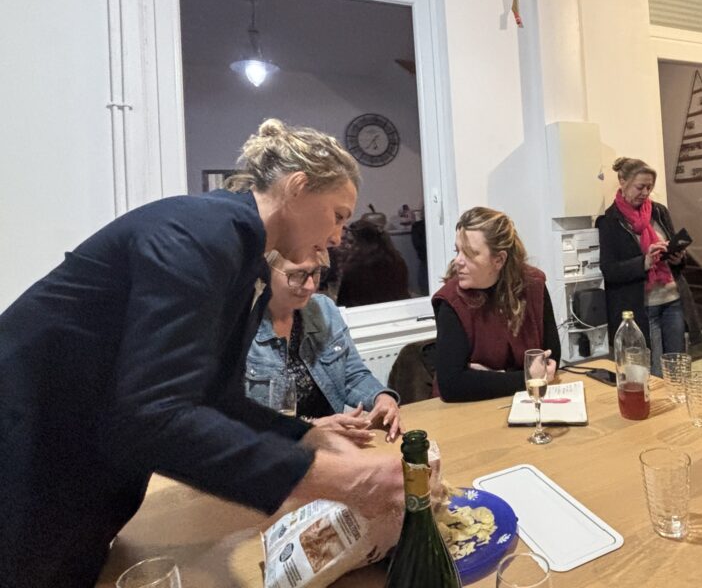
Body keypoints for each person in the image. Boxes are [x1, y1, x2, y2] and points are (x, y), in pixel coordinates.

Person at [0, 119, 403, 587]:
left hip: (81, 470)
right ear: (297, 187)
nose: (337, 237)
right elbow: (152, 417)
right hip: (27, 457)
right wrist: (342, 479)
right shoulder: (199, 234)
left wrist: (306, 438)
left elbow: (214, 399)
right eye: (337, 214)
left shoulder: (244, 260)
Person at [246, 250, 402, 443]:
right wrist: (308, 428)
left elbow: (352, 376)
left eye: (316, 272)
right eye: (297, 275)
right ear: (264, 270)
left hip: (331, 445)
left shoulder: (324, 309)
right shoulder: (237, 329)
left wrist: (381, 397)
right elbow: (233, 421)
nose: (311, 286)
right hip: (274, 450)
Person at [433, 207, 560, 402]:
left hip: (523, 401)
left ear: (499, 260)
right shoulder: (451, 299)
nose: (458, 261)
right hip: (466, 409)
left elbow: (551, 358)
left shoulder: (533, 285)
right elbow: (452, 385)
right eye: (457, 251)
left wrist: (490, 377)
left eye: (470, 253)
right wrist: (527, 377)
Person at [597, 157, 702, 377]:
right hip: (642, 308)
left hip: (672, 300)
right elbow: (610, 270)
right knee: (653, 372)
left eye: (649, 187)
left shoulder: (659, 212)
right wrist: (644, 262)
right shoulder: (609, 221)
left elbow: (673, 251)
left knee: (677, 368)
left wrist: (677, 258)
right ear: (623, 181)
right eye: (640, 187)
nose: (645, 192)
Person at [334, 217, 411, 307]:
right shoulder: (397, 260)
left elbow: (342, 303)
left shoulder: (356, 269)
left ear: (363, 243)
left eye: (350, 242)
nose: (346, 246)